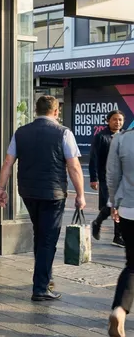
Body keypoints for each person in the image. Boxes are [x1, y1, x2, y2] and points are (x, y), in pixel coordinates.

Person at [0, 95, 86, 302]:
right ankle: (41, 287)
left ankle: (45, 277)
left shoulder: (21, 132)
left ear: (35, 111)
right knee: (48, 239)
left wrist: (1, 188)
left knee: (40, 234)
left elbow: (8, 162)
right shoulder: (64, 133)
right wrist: (80, 194)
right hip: (53, 194)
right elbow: (73, 166)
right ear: (56, 111)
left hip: (28, 192)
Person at [106, 126, 134, 336]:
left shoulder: (121, 139)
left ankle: (119, 310)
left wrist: (113, 202)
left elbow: (113, 175)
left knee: (132, 264)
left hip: (128, 209)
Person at [90, 110, 126, 247]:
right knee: (109, 204)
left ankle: (118, 236)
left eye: (120, 120)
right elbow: (94, 158)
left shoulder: (125, 136)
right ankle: (98, 222)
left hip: (123, 177)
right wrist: (93, 178)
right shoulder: (101, 136)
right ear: (108, 121)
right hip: (106, 177)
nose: (118, 122)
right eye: (114, 119)